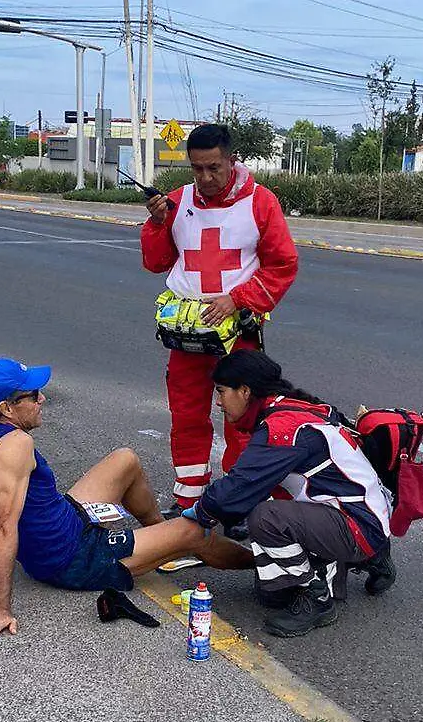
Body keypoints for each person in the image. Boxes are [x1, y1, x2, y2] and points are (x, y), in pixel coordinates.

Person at [0, 357, 253, 642]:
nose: (42, 399)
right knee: (196, 532)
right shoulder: (15, 445)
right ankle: (265, 565)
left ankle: (160, 543)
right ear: (8, 407)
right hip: (72, 559)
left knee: (125, 460)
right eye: (33, 394)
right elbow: (3, 527)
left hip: (67, 520)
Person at [140, 123, 299, 514]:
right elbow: (156, 262)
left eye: (214, 167)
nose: (206, 178)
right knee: (187, 414)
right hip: (188, 331)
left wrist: (238, 299)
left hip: (237, 333)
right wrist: (157, 224)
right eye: (197, 169)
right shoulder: (176, 202)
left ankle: (241, 502)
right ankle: (189, 500)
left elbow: (283, 264)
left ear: (232, 160)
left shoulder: (261, 202)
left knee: (243, 420)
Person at [183, 350, 397, 638]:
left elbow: (237, 488)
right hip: (363, 511)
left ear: (245, 391)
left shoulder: (282, 428)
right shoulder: (299, 407)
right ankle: (370, 556)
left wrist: (201, 512)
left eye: (221, 392)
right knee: (270, 593)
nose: (218, 402)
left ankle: (317, 598)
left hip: (356, 522)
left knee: (266, 518)